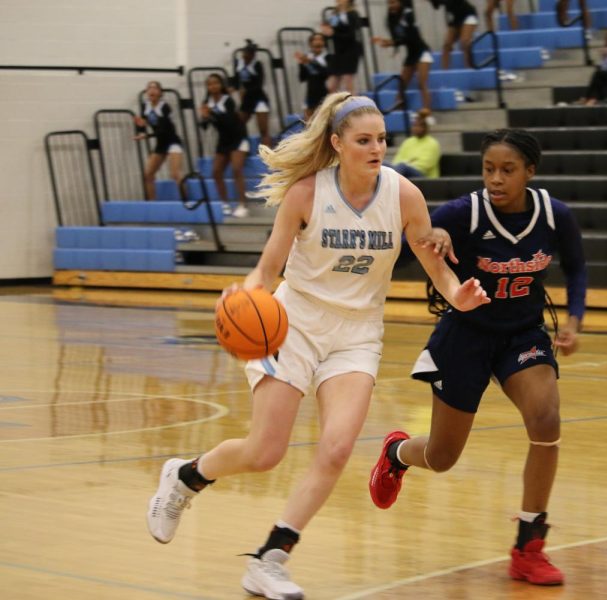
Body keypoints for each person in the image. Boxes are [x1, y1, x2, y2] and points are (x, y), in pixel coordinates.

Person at [145, 93, 490, 599]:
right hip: (294, 325)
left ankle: (270, 558)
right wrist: (246, 292)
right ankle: (185, 477)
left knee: (337, 448)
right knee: (265, 453)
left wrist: (458, 295)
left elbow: (438, 270)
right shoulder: (307, 194)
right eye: (364, 140)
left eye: (382, 140)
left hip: (357, 334)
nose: (377, 148)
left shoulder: (403, 196)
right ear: (337, 143)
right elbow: (267, 269)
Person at [368, 128, 588, 586]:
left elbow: (577, 265)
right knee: (443, 455)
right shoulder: (465, 212)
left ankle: (529, 546)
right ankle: (396, 452)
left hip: (522, 335)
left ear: (530, 171)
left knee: (546, 423)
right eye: (489, 169)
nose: (496, 179)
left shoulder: (555, 215)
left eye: (507, 170)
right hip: (465, 335)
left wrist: (573, 322)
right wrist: (438, 235)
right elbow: (421, 235)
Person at [199, 73, 250, 218]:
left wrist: (211, 114)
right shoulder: (207, 102)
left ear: (221, 85)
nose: (213, 86)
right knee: (216, 172)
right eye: (210, 84)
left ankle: (242, 204)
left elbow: (229, 122)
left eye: (216, 83)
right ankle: (225, 204)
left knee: (236, 169)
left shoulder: (228, 100)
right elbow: (204, 126)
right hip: (223, 140)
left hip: (238, 137)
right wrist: (204, 116)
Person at [373, 0, 434, 117]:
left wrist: (391, 43)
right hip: (411, 54)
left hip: (421, 51)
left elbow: (409, 37)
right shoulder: (391, 18)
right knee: (401, 84)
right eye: (389, 3)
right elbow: (398, 39)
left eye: (394, 2)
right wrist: (388, 42)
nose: (391, 6)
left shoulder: (407, 13)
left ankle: (427, 113)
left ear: (400, 2)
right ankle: (399, 112)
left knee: (422, 83)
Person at [134, 81, 184, 200]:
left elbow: (163, 130)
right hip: (161, 143)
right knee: (148, 174)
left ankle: (186, 201)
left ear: (160, 92)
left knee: (175, 174)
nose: (152, 90)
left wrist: (147, 135)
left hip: (172, 141)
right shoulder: (145, 106)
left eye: (155, 88)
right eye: (149, 88)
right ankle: (153, 204)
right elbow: (142, 123)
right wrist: (141, 130)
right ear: (146, 91)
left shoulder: (164, 107)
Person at [233, 39, 273, 149]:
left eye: (250, 55)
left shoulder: (257, 65)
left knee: (263, 130)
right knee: (238, 125)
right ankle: (241, 148)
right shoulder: (238, 64)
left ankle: (269, 155)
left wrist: (246, 91)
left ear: (253, 55)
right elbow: (236, 82)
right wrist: (234, 89)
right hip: (247, 99)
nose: (247, 56)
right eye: (245, 54)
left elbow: (259, 84)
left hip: (259, 98)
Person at [321, 0, 364, 94]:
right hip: (337, 52)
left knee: (348, 81)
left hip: (350, 51)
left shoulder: (352, 14)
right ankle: (333, 107)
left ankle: (354, 107)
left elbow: (352, 35)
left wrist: (333, 33)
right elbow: (330, 33)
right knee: (332, 85)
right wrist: (326, 33)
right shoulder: (333, 15)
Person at [575, 29, 607, 105]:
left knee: (598, 75)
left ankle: (590, 98)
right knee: (597, 76)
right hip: (606, 70)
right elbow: (604, 60)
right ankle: (589, 98)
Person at [387, 112, 441, 178]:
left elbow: (426, 164)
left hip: (424, 175)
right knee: (384, 164)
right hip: (403, 170)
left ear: (426, 128)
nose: (416, 128)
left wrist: (407, 164)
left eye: (419, 126)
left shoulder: (432, 143)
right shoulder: (408, 141)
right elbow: (397, 159)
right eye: (414, 125)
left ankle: (390, 185)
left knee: (403, 167)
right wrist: (406, 163)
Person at [431, 0, 478, 70]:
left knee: (464, 42)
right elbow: (436, 6)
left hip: (468, 15)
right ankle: (445, 73)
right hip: (455, 19)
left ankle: (469, 69)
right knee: (446, 45)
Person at [294, 32, 332, 120]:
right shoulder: (307, 57)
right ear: (310, 43)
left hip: (326, 92)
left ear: (324, 43)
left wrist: (311, 62)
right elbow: (302, 78)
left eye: (320, 39)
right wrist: (301, 65)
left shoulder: (329, 57)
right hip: (311, 93)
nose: (318, 42)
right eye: (315, 39)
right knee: (309, 123)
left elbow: (327, 73)